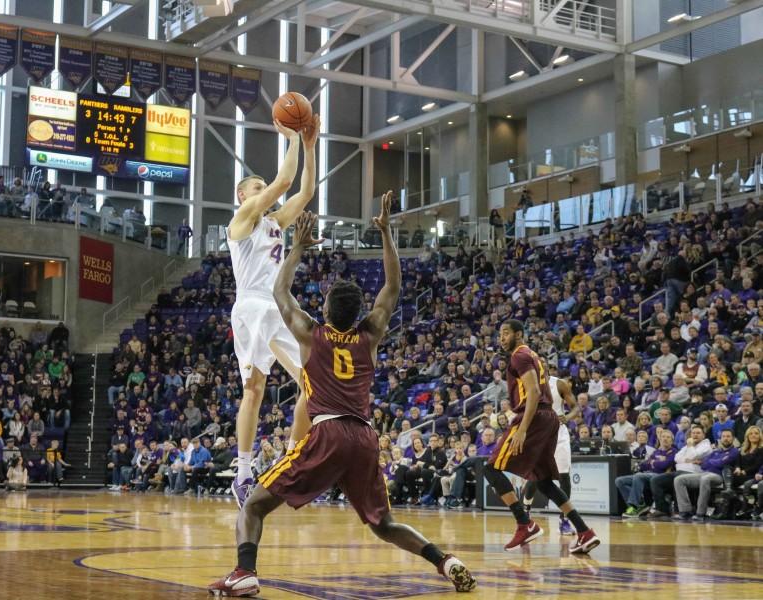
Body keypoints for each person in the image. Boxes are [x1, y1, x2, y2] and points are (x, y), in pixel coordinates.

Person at [209, 197, 476, 596]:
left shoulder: (309, 333)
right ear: (358, 313)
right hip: (365, 439)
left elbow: (280, 290)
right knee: (382, 524)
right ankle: (444, 560)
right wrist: (386, 232)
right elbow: (393, 287)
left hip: (327, 433)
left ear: (326, 308)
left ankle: (244, 572)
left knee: (253, 506)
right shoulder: (370, 335)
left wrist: (297, 247)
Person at [226, 114, 320, 508]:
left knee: (313, 383)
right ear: (243, 197)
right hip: (252, 306)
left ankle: (294, 464)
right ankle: (244, 473)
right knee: (254, 390)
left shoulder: (276, 222)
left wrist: (311, 147)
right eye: (258, 188)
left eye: (265, 188)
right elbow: (284, 182)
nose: (268, 191)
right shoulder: (242, 221)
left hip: (278, 306)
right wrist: (294, 136)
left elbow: (305, 192)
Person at [482, 319, 600, 553]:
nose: (502, 338)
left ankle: (524, 524)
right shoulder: (533, 356)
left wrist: (523, 429)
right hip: (549, 418)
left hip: (534, 416)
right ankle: (584, 531)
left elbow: (534, 392)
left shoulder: (519, 355)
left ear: (519, 333)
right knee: (543, 482)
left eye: (506, 333)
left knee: (491, 468)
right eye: (500, 334)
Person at [521, 374, 578, 535]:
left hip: (559, 434)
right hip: (538, 434)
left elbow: (575, 407)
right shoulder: (526, 384)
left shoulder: (559, 384)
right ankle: (526, 510)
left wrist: (567, 417)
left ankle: (564, 519)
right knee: (535, 476)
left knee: (564, 477)